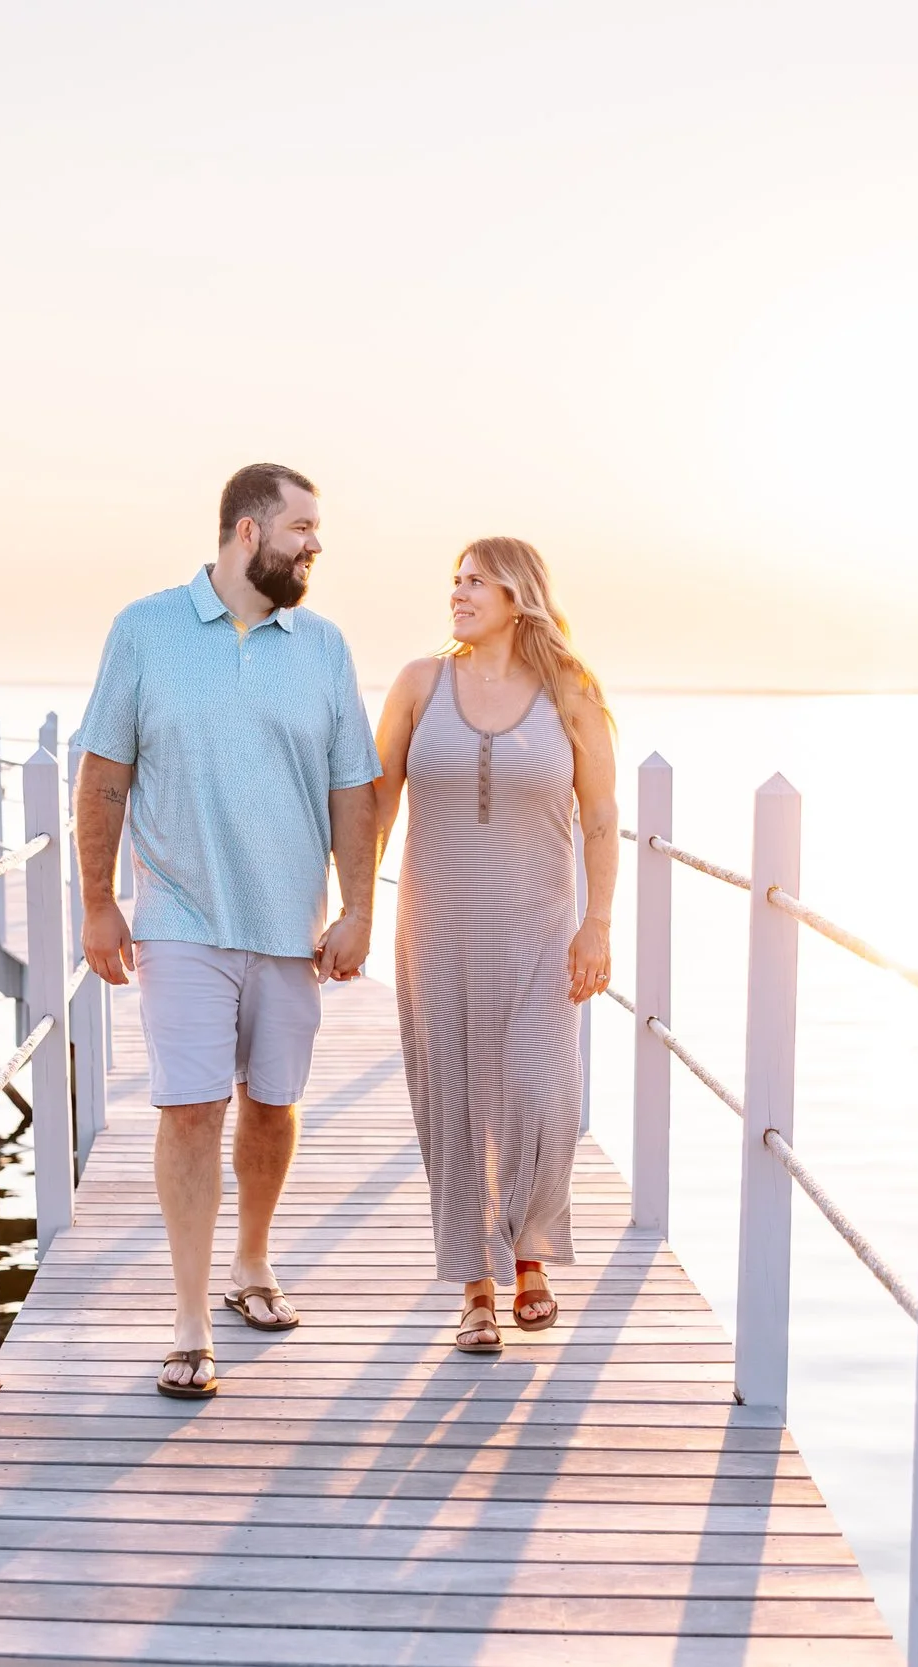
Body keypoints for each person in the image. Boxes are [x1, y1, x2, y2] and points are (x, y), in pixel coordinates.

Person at [73, 463, 381, 1399]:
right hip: (179, 916)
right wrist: (97, 900)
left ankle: (253, 1263)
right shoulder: (145, 630)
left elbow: (353, 791)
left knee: (274, 1104)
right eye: (302, 528)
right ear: (248, 533)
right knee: (192, 1106)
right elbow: (105, 775)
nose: (315, 545)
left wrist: (358, 906)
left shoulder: (323, 647)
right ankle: (191, 1317)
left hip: (291, 924)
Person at [373, 537, 617, 1352]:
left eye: (476, 580)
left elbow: (603, 817)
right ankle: (477, 1283)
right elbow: (377, 800)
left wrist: (599, 922)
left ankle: (532, 1252)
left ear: (519, 595)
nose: (459, 592)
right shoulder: (418, 684)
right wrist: (354, 906)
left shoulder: (570, 692)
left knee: (544, 1096)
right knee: (453, 1101)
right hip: (435, 926)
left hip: (542, 930)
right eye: (455, 580)